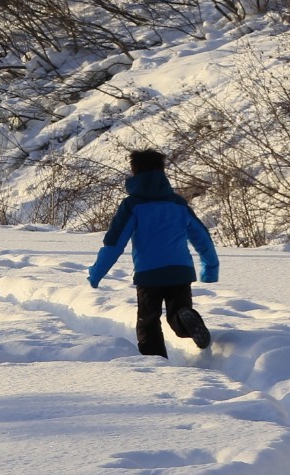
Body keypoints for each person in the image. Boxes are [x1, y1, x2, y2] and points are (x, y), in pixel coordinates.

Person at [86, 148, 219, 357]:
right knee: (178, 313)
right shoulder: (178, 204)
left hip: (150, 275)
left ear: (135, 173)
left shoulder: (133, 205)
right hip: (180, 271)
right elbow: (202, 238)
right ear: (161, 173)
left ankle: (156, 364)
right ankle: (184, 317)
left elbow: (114, 244)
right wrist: (210, 268)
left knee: (148, 322)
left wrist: (96, 273)